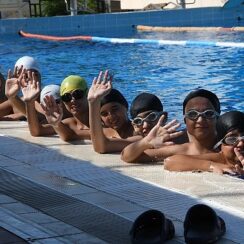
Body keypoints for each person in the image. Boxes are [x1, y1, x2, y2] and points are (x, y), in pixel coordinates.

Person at [121, 88, 220, 163]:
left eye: (208, 114)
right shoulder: (179, 148)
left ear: (218, 117)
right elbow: (126, 156)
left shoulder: (229, 140)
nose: (200, 120)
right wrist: (146, 142)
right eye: (192, 114)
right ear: (185, 120)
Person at [164, 111, 244, 176]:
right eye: (231, 139)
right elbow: (170, 162)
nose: (241, 144)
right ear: (220, 144)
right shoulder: (220, 159)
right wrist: (210, 166)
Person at [88, 70, 143, 153]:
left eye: (115, 109)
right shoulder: (105, 132)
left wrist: (93, 103)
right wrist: (92, 101)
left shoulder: (138, 131)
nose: (111, 116)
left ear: (125, 106)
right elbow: (71, 134)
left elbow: (101, 147)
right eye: (104, 114)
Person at [41, 75, 90, 141]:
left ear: (87, 94)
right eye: (67, 97)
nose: (73, 100)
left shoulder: (102, 119)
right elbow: (38, 130)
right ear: (63, 102)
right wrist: (55, 124)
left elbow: (70, 136)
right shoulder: (69, 123)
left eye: (77, 94)